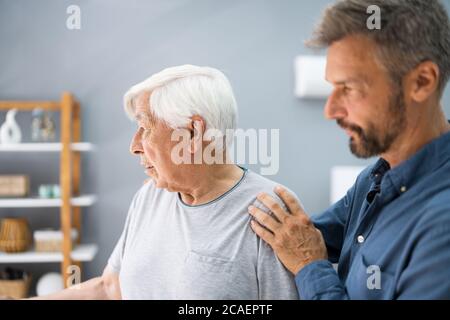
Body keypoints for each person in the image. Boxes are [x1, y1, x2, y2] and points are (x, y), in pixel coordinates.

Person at [31, 65, 298, 299]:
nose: (134, 146)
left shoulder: (270, 210)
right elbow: (111, 288)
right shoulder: (150, 195)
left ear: (193, 133)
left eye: (145, 128)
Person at [249, 0, 450, 299]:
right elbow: (306, 235)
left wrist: (310, 266)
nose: (330, 110)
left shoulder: (441, 226)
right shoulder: (377, 177)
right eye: (331, 87)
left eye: (350, 88)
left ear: (421, 82)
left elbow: (307, 251)